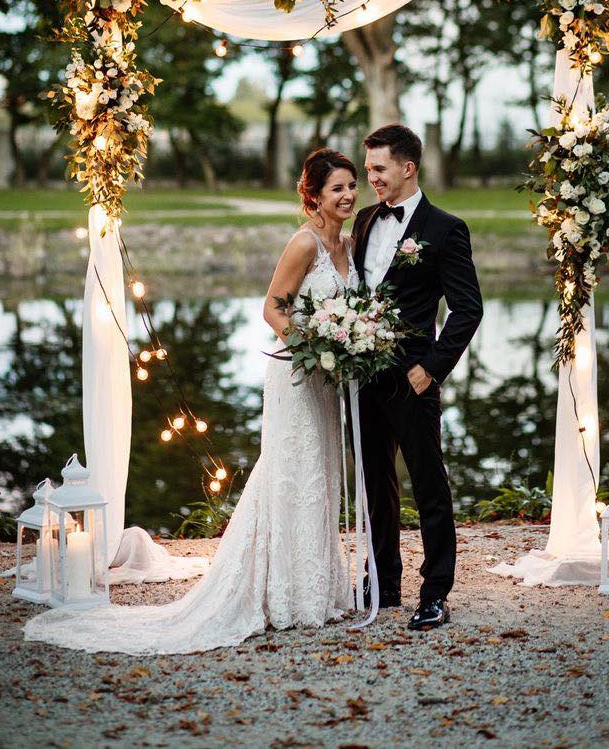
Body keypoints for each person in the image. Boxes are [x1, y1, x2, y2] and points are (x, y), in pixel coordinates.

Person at [24, 149, 359, 654]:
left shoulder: (348, 245)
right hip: (297, 370)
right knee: (292, 470)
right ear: (313, 195)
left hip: (327, 378)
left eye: (352, 185)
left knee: (320, 473)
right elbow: (273, 308)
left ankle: (317, 586)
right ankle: (285, 594)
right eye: (337, 188)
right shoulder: (303, 243)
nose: (349, 195)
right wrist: (316, 349)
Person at [352, 123, 483, 631]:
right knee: (374, 483)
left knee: (429, 484)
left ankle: (435, 593)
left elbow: (467, 310)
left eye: (379, 169)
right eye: (368, 171)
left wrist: (431, 368)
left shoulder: (446, 229)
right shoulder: (364, 220)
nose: (372, 180)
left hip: (414, 378)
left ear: (408, 168)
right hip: (363, 376)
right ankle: (383, 581)